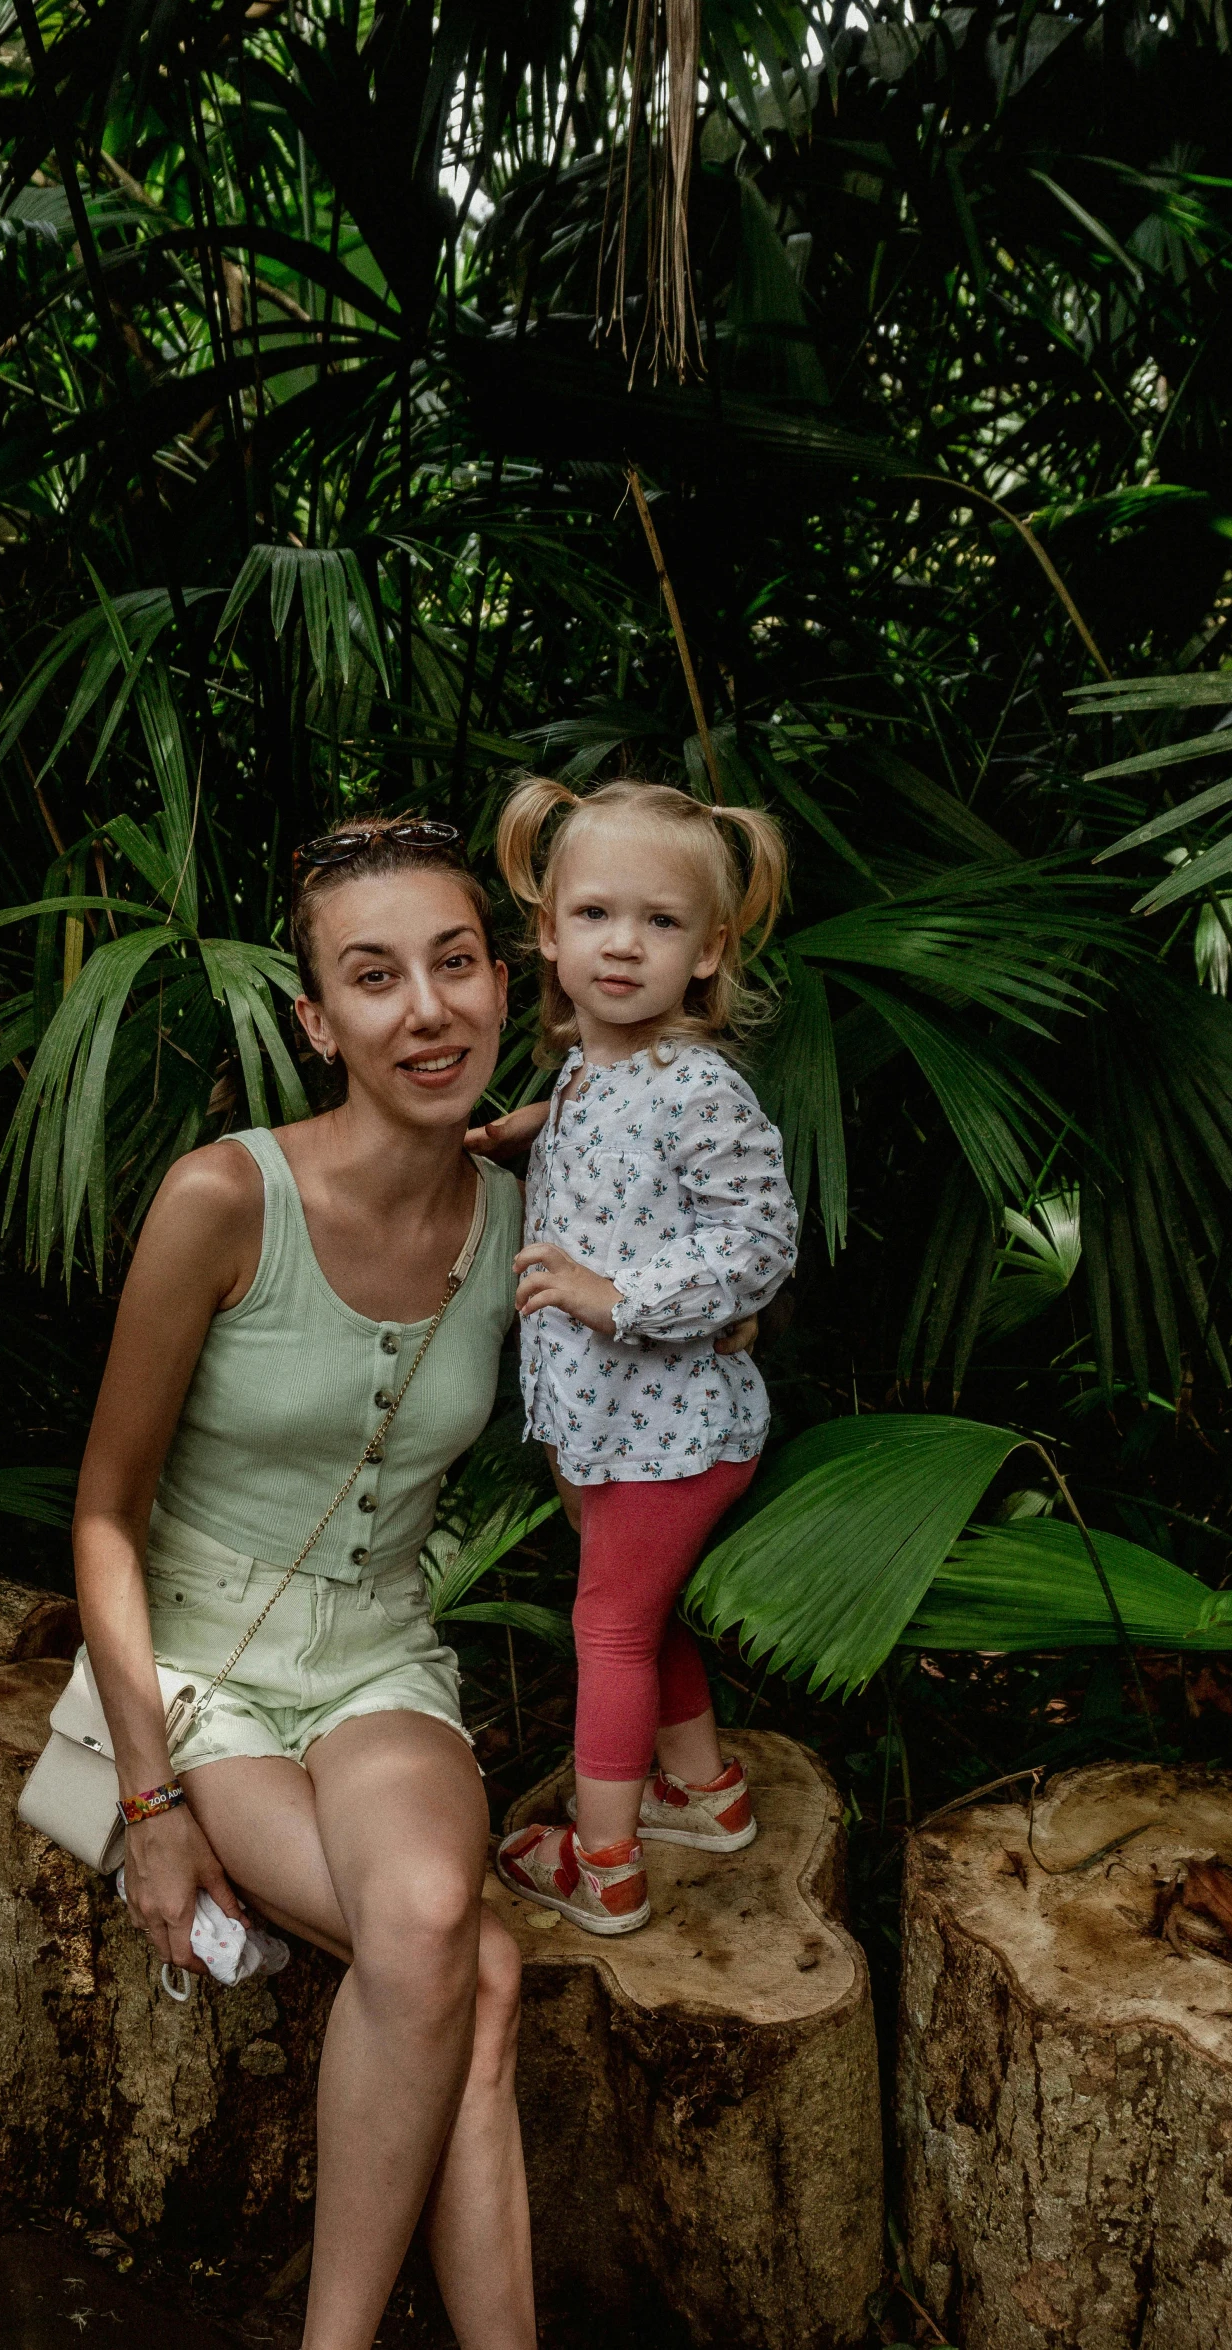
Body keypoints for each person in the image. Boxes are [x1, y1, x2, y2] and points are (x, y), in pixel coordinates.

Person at [71, 818, 536, 2350]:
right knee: (462, 1963)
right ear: (314, 1021)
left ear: (498, 977)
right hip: (203, 1667)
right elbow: (103, 1511)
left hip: (382, 1660)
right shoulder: (225, 1198)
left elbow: (711, 1255)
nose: (426, 1009)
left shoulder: (527, 1211)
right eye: (374, 976)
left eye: (453, 963)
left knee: (427, 1926)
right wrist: (148, 1805)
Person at [491, 778, 798, 1937]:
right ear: (550, 932)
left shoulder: (698, 1086)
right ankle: (704, 1791)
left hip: (669, 1434)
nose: (623, 945)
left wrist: (614, 1296)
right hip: (606, 1427)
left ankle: (604, 1861)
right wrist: (534, 1125)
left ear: (710, 951)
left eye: (660, 923)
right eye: (595, 916)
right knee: (643, 1614)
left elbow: (758, 1239)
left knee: (610, 1631)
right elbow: (599, 1126)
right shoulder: (592, 1066)